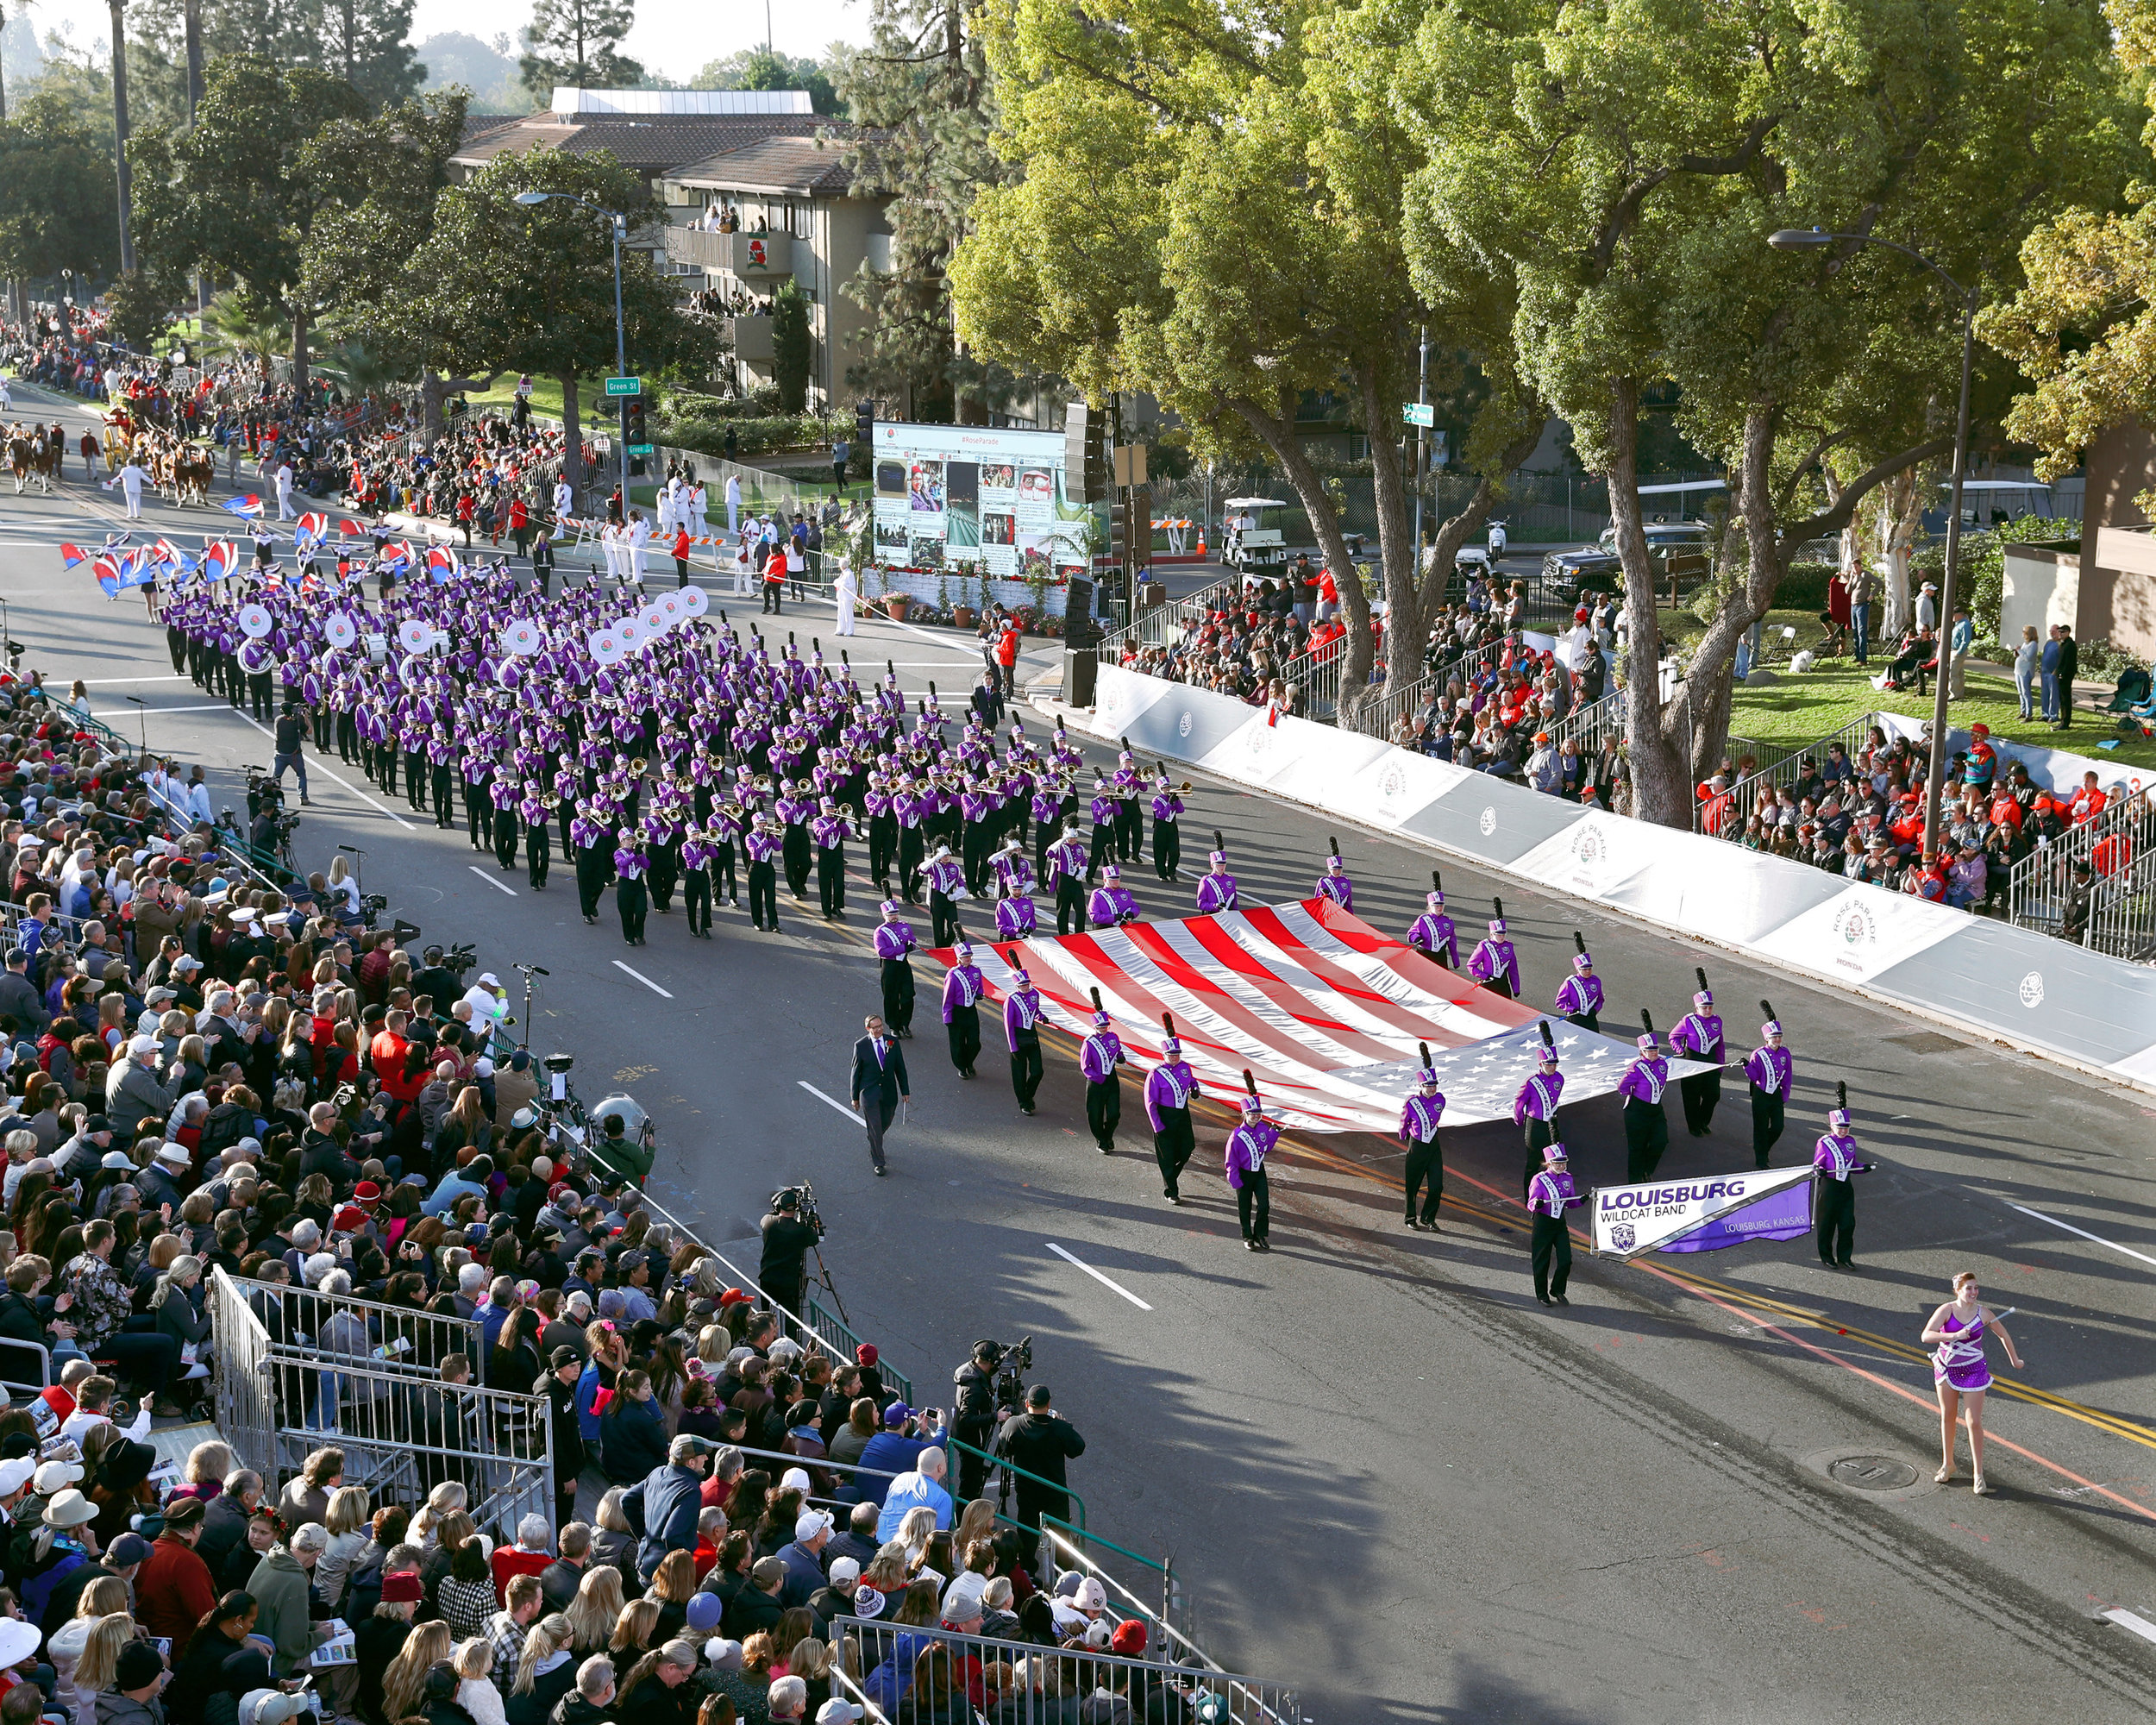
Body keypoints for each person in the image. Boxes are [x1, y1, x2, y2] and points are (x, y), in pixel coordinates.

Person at [1920, 1271, 2025, 1496]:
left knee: (1973, 1421)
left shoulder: (1984, 1314)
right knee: (1948, 1416)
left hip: (1973, 1369)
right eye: (1969, 1288)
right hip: (1946, 1367)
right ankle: (1948, 1464)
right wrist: (1953, 1335)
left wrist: (2014, 1360)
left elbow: (2003, 1335)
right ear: (1958, 1290)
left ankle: (1978, 1474)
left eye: (1976, 1288)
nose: (1974, 1292)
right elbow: (1926, 1336)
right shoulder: (1946, 1310)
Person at [993, 1385, 1085, 1531]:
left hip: (1027, 1491)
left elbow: (1004, 1450)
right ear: (1048, 1404)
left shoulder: (1014, 1425)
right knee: (1060, 1536)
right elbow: (1077, 1449)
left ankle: (1026, 1554)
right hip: (1055, 1491)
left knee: (1027, 1531)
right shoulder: (1060, 1428)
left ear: (1027, 1404)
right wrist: (1066, 1426)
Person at [1813, 1094, 1875, 1270]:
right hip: (1829, 1187)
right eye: (1840, 1127)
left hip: (1846, 1187)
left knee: (1847, 1224)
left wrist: (1864, 1167)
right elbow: (1816, 1166)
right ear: (1832, 1126)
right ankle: (1826, 1256)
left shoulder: (1851, 1142)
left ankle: (1845, 1257)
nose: (1843, 1130)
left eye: (1846, 1127)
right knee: (1827, 1224)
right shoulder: (1824, 1142)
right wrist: (1821, 1171)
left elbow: (1853, 1164)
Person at [1526, 1144, 1588, 1307]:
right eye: (1557, 1163)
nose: (1561, 1166)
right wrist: (1538, 1204)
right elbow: (1531, 1203)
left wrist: (1581, 1200)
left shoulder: (1568, 1178)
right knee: (1542, 1261)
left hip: (1559, 1223)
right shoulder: (1539, 1180)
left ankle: (1557, 1289)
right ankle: (1542, 1294)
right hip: (1543, 1224)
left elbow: (1570, 1202)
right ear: (1548, 1163)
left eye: (1563, 1163)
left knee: (1566, 1259)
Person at [849, 1015, 909, 1178]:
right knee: (875, 1127)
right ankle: (879, 1162)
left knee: (886, 1120)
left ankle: (874, 1139)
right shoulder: (861, 1046)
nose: (878, 1030)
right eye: (874, 1027)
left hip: (889, 1091)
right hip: (869, 1093)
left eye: (880, 1026)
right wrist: (854, 1097)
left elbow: (900, 1067)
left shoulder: (892, 1042)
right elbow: (855, 1073)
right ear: (868, 1029)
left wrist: (905, 1091)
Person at [1144, 1032, 1199, 1204]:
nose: (1174, 1057)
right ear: (1163, 1055)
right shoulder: (1156, 1073)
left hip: (1182, 1115)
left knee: (1187, 1148)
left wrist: (1194, 1088)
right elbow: (1150, 1102)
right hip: (1164, 1117)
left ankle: (1170, 1175)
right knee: (1166, 1156)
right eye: (1171, 1054)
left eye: (1177, 1054)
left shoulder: (1185, 1067)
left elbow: (1191, 1080)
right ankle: (1171, 1190)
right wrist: (1157, 1125)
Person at [1224, 1082, 1277, 1251]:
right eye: (1252, 1114)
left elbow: (1266, 1147)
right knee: (1244, 1208)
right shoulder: (1237, 1136)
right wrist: (1235, 1180)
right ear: (1244, 1114)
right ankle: (1247, 1236)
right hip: (1243, 1175)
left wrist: (1274, 1134)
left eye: (1258, 1113)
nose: (1256, 1117)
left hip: (1259, 1173)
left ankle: (1260, 1234)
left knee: (1264, 1206)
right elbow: (1230, 1161)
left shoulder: (1263, 1128)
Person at [1616, 1027, 1670, 1182]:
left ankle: (1647, 1170)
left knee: (1661, 1141)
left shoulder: (1662, 1064)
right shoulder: (1636, 1067)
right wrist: (1635, 1097)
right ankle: (1634, 1181)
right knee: (1636, 1148)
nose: (1654, 1052)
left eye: (1655, 1049)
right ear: (1642, 1051)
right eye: (1649, 1050)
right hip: (1637, 1111)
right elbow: (1622, 1086)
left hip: (1656, 1110)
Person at [1669, 982, 1724, 1137]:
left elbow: (1720, 1045)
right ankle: (1693, 1126)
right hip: (1691, 1063)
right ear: (1697, 1008)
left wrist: (1720, 1066)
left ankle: (1703, 1122)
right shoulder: (1688, 1021)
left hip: (1710, 1064)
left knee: (1713, 1095)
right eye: (1703, 1007)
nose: (1707, 1010)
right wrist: (1680, 1050)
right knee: (1691, 1098)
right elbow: (1673, 1037)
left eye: (1710, 1007)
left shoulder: (1717, 1021)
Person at [757, 1190, 820, 1320]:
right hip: (789, 1282)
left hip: (767, 1277)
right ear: (796, 1208)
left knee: (766, 1316)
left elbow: (772, 1215)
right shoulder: (801, 1231)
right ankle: (791, 1338)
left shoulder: (768, 1222)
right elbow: (815, 1239)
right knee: (791, 1318)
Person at [1399, 1058, 1445, 1231]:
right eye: (1428, 1085)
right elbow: (1404, 1121)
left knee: (1437, 1186)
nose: (1432, 1089)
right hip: (1417, 1146)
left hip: (1433, 1146)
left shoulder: (1441, 1100)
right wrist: (1404, 1135)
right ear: (1421, 1086)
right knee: (1413, 1185)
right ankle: (1410, 1217)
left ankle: (1428, 1218)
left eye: (1434, 1085)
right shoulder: (1412, 1103)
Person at [1745, 1009, 1794, 1170]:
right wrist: (1746, 1066)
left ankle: (1763, 1148)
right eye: (1774, 1037)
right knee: (1761, 1128)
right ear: (1767, 1038)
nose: (1777, 1039)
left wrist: (1784, 1096)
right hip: (1761, 1095)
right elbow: (1754, 1077)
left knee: (1778, 1127)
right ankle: (1761, 1159)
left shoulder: (1785, 1054)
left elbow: (1788, 1076)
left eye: (1779, 1036)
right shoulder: (1758, 1054)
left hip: (1776, 1095)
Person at [1077, 1000, 1125, 1154]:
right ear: (1094, 1027)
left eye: (1105, 1025)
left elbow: (1118, 1051)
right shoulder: (1089, 1043)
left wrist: (1121, 1057)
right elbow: (1085, 1066)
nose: (1103, 1028)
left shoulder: (1113, 1037)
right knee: (1095, 1114)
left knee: (1114, 1113)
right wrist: (1098, 1078)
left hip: (1111, 1080)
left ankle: (1108, 1135)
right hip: (1096, 1082)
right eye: (1100, 1026)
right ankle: (1101, 1140)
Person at [1000, 960, 1044, 1116]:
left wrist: (1042, 1017)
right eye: (1022, 985)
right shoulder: (1011, 1000)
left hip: (1031, 1035)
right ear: (1016, 986)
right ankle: (1023, 1102)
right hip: (1018, 1037)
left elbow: (1035, 1011)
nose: (1025, 987)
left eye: (1027, 984)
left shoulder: (1034, 994)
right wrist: (1013, 1046)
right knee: (1019, 1073)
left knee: (1037, 1071)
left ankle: (1028, 1094)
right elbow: (1008, 1025)